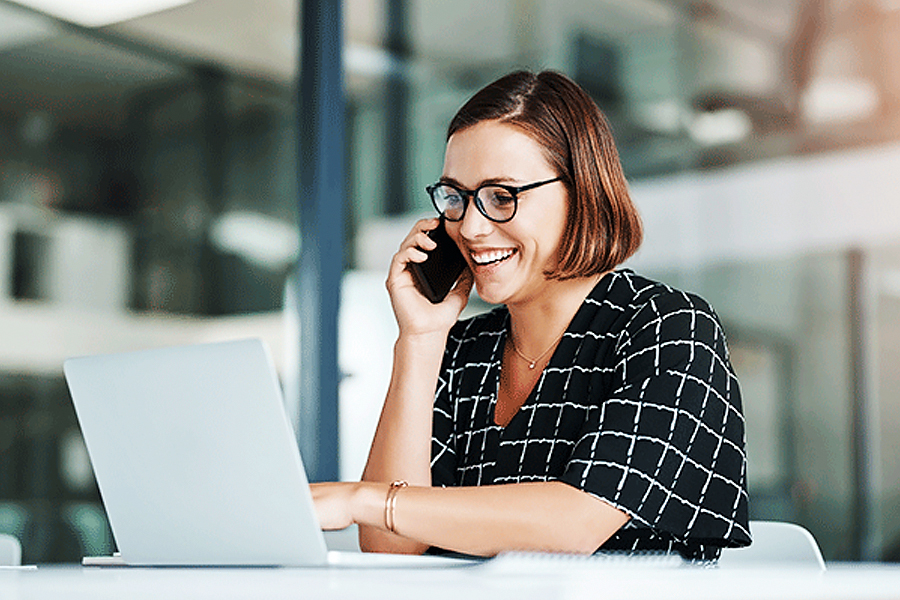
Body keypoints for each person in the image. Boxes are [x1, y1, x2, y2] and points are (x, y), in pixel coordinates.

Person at [311, 70, 751, 561]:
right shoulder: (461, 351)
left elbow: (577, 523)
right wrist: (419, 339)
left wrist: (361, 499)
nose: (471, 228)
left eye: (502, 197)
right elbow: (391, 548)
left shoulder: (668, 327)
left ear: (580, 192)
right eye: (455, 197)